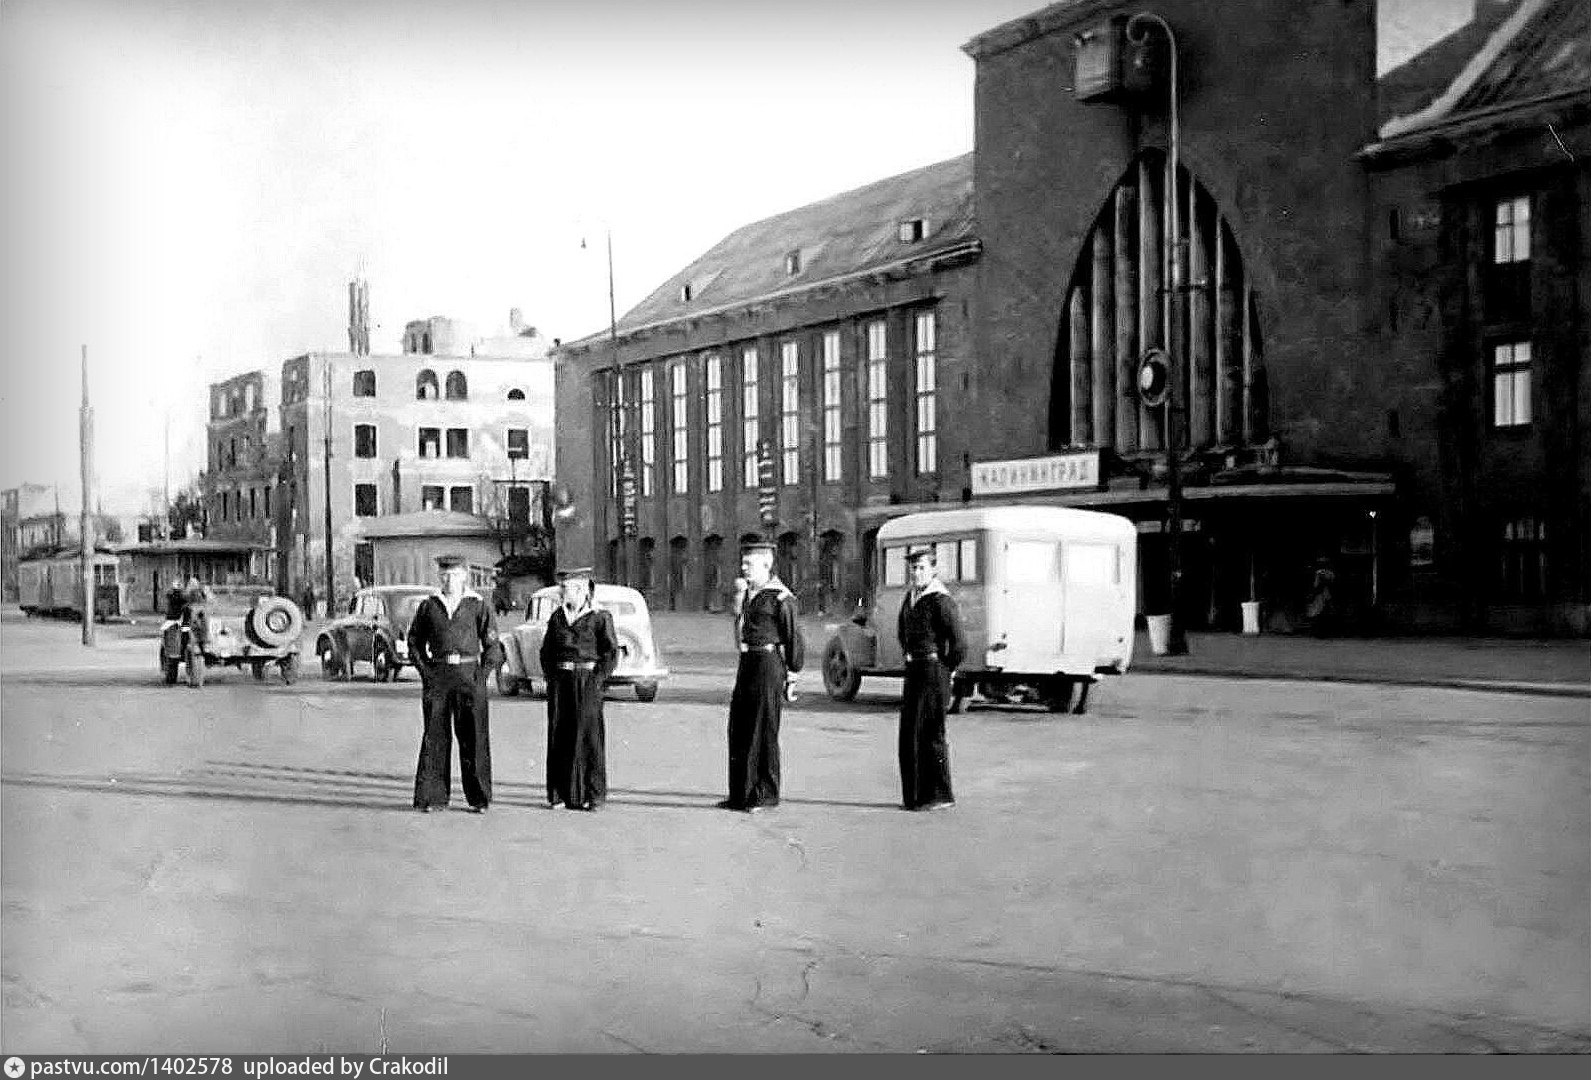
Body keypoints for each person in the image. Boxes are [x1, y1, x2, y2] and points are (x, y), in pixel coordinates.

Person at [406, 554, 505, 814]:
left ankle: (479, 797)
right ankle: (433, 797)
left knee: (473, 736)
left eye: (453, 574)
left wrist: (481, 676)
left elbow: (493, 646)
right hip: (439, 676)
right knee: (435, 736)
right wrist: (426, 671)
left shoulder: (478, 606)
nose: (448, 579)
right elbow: (414, 642)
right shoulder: (429, 606)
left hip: (469, 674)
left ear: (464, 576)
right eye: (444, 574)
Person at [721, 541, 803, 813]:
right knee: (740, 727)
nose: (744, 568)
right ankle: (741, 794)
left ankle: (765, 793)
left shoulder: (781, 597)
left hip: (769, 665)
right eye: (743, 563)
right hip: (747, 662)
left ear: (766, 565)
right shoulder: (748, 595)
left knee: (762, 729)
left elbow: (793, 639)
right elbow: (739, 636)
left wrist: (792, 675)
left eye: (749, 564)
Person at [539, 567, 619, 811]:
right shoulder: (557, 617)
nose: (564, 593)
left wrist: (597, 680)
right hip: (561, 682)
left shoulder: (599, 617)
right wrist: (552, 678)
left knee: (589, 737)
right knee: (559, 734)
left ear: (583, 590)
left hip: (587, 680)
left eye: (568, 589)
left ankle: (593, 795)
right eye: (562, 588)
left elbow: (611, 652)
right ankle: (559, 794)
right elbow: (546, 652)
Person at [897, 546, 966, 811]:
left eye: (922, 567)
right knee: (910, 733)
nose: (916, 573)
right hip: (914, 671)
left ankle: (939, 795)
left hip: (933, 671)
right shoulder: (911, 598)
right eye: (913, 568)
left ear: (933, 570)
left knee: (931, 733)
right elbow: (902, 633)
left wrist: (944, 670)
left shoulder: (941, 600)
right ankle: (915, 796)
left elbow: (959, 644)